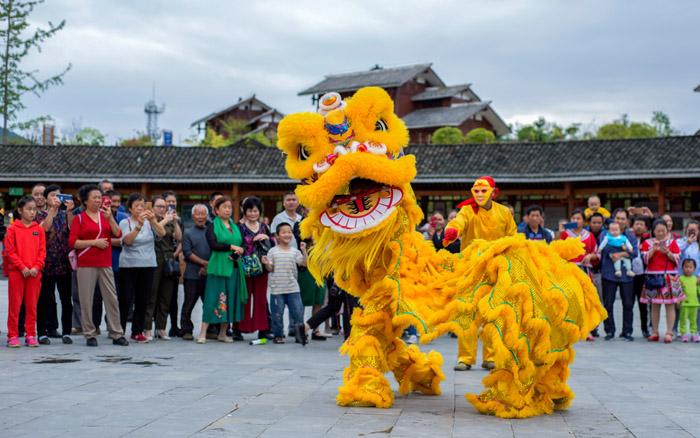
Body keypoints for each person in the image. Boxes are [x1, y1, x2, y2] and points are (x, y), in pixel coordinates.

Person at [443, 176, 516, 371]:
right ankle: (465, 358)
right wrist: (452, 231)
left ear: (494, 192)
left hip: (496, 268)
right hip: (471, 269)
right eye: (476, 191)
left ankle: (490, 356)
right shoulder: (468, 210)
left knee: (492, 313)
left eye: (484, 191)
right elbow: (458, 221)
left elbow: (513, 238)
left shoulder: (504, 213)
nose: (480, 194)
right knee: (467, 313)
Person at [68, 184, 128, 347]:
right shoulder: (79, 218)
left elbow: (118, 234)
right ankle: (89, 333)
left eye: (99, 197)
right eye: (94, 197)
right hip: (86, 263)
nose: (98, 200)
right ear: (85, 201)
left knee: (112, 299)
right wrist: (94, 242)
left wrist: (109, 218)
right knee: (86, 299)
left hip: (105, 263)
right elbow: (73, 242)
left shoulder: (105, 216)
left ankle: (116, 333)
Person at [196, 196, 247, 344]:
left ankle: (223, 333)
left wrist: (239, 251)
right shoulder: (212, 226)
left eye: (230, 207)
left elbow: (241, 244)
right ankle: (203, 332)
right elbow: (213, 244)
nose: (228, 210)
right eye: (224, 207)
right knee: (213, 299)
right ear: (216, 210)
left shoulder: (235, 226)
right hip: (218, 268)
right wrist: (231, 247)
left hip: (233, 267)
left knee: (229, 299)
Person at [118, 193, 165, 343]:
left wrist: (152, 221)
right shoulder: (125, 222)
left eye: (143, 205)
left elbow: (162, 233)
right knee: (125, 298)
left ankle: (137, 331)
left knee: (142, 299)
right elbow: (128, 241)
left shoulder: (150, 222)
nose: (140, 208)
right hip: (129, 265)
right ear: (130, 208)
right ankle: (119, 330)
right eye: (137, 206)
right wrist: (138, 225)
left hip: (148, 264)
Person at [3, 196, 45, 347]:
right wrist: (22, 267)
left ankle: (31, 334)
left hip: (34, 273)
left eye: (34, 209)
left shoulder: (38, 229)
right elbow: (10, 251)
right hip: (17, 273)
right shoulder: (12, 229)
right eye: (28, 209)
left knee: (32, 306)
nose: (32, 212)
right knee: (15, 305)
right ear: (20, 210)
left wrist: (36, 267)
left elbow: (42, 251)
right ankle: (12, 335)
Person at [35, 185, 75, 345]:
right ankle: (42, 332)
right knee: (44, 299)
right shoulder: (38, 215)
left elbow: (73, 230)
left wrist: (70, 211)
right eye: (52, 195)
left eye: (59, 195)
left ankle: (67, 332)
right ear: (46, 199)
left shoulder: (66, 214)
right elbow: (44, 229)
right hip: (46, 262)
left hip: (64, 263)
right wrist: (52, 210)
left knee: (66, 299)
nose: (57, 198)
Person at [261, 222, 307, 344]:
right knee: (277, 315)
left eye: (289, 232)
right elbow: (270, 269)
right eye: (284, 232)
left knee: (298, 313)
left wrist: (304, 251)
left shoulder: (295, 251)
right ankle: (278, 335)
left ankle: (300, 335)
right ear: (277, 236)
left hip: (293, 288)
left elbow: (304, 263)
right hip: (277, 290)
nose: (287, 234)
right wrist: (266, 263)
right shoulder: (272, 251)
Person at [143, 195, 181, 341]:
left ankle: (161, 328)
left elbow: (178, 237)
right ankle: (147, 328)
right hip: (154, 258)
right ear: (152, 207)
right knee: (151, 295)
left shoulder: (170, 220)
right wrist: (165, 220)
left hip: (168, 258)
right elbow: (158, 235)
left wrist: (175, 221)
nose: (162, 209)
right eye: (159, 206)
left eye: (164, 207)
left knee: (166, 295)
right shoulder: (148, 221)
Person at [640, 219, 682, 343]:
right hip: (652, 277)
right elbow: (645, 259)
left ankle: (669, 332)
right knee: (654, 305)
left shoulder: (672, 242)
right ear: (653, 231)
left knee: (670, 305)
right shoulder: (647, 243)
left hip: (669, 276)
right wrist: (653, 250)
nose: (661, 233)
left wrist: (668, 252)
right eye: (658, 231)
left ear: (667, 230)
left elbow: (678, 260)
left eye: (663, 230)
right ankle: (655, 332)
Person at [598, 208, 637, 341]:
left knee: (628, 303)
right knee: (608, 303)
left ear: (627, 221)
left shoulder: (630, 235)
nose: (620, 221)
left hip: (627, 274)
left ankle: (627, 332)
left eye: (623, 219)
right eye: (617, 218)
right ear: (613, 219)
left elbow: (635, 252)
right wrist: (625, 250)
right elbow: (604, 249)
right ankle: (609, 331)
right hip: (609, 272)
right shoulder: (605, 234)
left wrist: (620, 254)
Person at [237, 196, 272, 340]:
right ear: (244, 212)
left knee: (260, 299)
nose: (253, 214)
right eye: (250, 211)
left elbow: (272, 246)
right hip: (244, 268)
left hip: (261, 268)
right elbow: (236, 245)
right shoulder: (239, 227)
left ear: (260, 212)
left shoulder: (264, 227)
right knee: (243, 298)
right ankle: (239, 329)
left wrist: (266, 237)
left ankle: (263, 329)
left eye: (255, 211)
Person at [181, 204, 211, 340]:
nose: (200, 217)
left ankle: (211, 330)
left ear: (207, 215)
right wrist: (204, 263)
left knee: (209, 303)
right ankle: (186, 329)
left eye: (203, 214)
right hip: (192, 274)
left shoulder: (212, 231)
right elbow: (187, 253)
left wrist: (208, 266)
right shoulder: (187, 232)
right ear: (193, 216)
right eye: (197, 214)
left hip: (209, 273)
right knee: (189, 303)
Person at [163, 191, 183, 338]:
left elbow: (181, 240)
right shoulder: (158, 218)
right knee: (159, 295)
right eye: (169, 201)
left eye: (174, 201)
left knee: (173, 295)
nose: (172, 204)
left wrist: (175, 254)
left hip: (173, 260)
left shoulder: (178, 220)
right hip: (160, 259)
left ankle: (174, 326)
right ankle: (159, 326)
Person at [630, 215, 650, 337]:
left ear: (646, 228)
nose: (638, 226)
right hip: (629, 275)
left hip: (643, 276)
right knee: (629, 303)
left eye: (641, 224)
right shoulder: (627, 238)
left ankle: (645, 329)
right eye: (636, 224)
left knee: (643, 304)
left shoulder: (648, 240)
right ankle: (628, 330)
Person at [678, 259, 699, 343]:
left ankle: (694, 333)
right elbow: (678, 291)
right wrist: (678, 301)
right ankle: (683, 333)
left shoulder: (696, 279)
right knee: (683, 319)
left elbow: (698, 290)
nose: (688, 269)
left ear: (694, 269)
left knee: (694, 320)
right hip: (684, 304)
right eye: (686, 267)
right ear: (682, 268)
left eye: (690, 267)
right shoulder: (680, 279)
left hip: (694, 303)